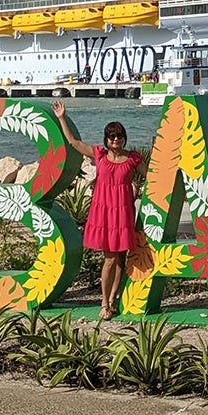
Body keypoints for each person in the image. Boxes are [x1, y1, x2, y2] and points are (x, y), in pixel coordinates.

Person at [52, 101, 142, 320]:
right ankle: (104, 302)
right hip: (104, 213)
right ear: (106, 139)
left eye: (119, 136)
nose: (116, 140)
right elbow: (73, 142)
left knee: (121, 258)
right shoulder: (99, 155)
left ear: (124, 138)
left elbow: (154, 177)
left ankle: (113, 299)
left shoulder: (132, 159)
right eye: (112, 137)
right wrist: (62, 117)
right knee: (110, 258)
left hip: (123, 212)